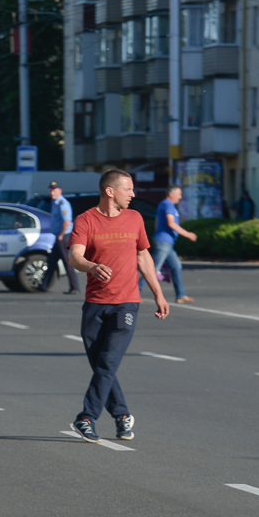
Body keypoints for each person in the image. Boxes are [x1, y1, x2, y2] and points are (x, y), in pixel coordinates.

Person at [67, 168, 169, 443]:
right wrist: (91, 266)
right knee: (102, 366)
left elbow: (143, 256)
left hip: (126, 303)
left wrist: (158, 293)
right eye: (129, 189)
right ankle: (122, 415)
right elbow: (75, 256)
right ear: (110, 191)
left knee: (107, 363)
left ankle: (86, 418)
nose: (134, 195)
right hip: (94, 305)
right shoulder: (85, 220)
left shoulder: (135, 219)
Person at [149, 184, 197, 305]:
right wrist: (188, 234)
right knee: (152, 269)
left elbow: (156, 222)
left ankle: (180, 295)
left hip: (167, 243)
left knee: (176, 267)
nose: (180, 197)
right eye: (179, 194)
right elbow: (171, 223)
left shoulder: (164, 204)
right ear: (171, 194)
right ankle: (135, 293)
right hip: (164, 242)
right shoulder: (168, 204)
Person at [40, 181, 79, 294]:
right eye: (51, 190)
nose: (52, 192)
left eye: (54, 190)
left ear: (59, 191)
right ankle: (44, 285)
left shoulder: (62, 203)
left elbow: (67, 221)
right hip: (58, 236)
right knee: (51, 261)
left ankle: (74, 287)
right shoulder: (55, 202)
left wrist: (61, 235)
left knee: (67, 262)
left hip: (63, 236)